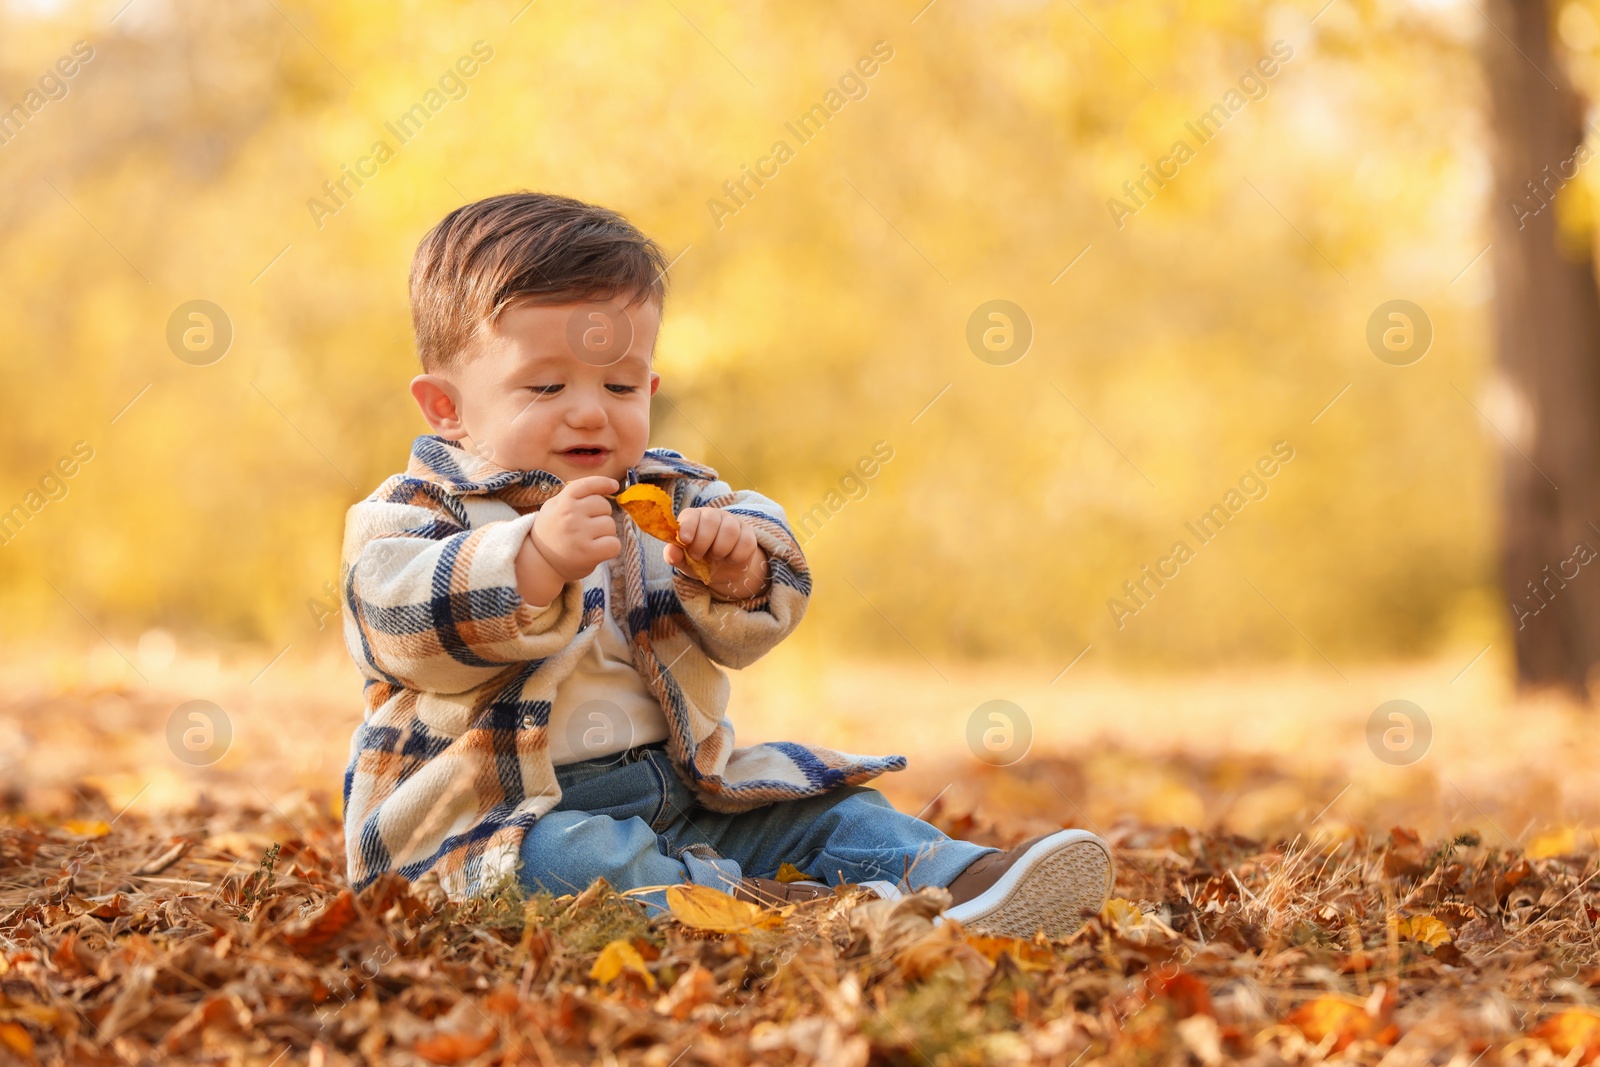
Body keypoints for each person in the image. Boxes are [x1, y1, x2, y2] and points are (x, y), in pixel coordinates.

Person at [338, 191, 1113, 938]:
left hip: (679, 790)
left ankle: (966, 880)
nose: (590, 410)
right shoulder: (416, 512)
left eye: (619, 383)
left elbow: (767, 552)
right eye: (545, 385)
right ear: (445, 407)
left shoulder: (666, 494)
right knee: (567, 863)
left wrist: (740, 573)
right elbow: (401, 622)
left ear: (650, 384)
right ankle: (777, 909)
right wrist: (530, 560)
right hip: (493, 819)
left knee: (832, 814)